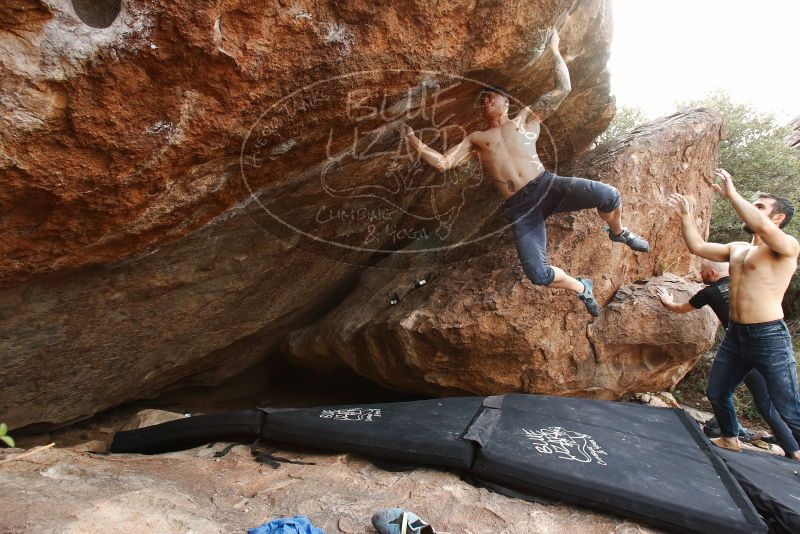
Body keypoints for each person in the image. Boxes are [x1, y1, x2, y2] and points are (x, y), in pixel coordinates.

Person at [401, 28, 649, 317]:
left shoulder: (526, 119)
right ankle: (583, 288)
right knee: (537, 274)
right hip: (520, 207)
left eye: (491, 97)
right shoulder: (476, 139)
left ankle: (618, 232)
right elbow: (444, 163)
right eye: (482, 100)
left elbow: (563, 89)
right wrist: (413, 141)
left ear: (506, 102)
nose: (485, 101)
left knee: (609, 195)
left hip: (547, 186)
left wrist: (554, 50)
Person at [666, 169, 800, 459]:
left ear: (777, 218)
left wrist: (732, 194)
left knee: (788, 406)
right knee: (717, 392)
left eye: (760, 206)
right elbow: (697, 246)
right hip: (737, 335)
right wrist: (686, 216)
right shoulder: (738, 249)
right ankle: (729, 437)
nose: (753, 209)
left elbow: (763, 229)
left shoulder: (786, 247)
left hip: (768, 336)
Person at [657, 260, 800, 457]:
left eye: (703, 270)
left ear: (713, 272)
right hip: (768, 344)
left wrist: (667, 300)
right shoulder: (745, 282)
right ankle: (793, 449)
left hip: (741, 349)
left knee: (723, 393)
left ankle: (733, 438)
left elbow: (681, 309)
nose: (700, 273)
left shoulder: (709, 292)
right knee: (771, 404)